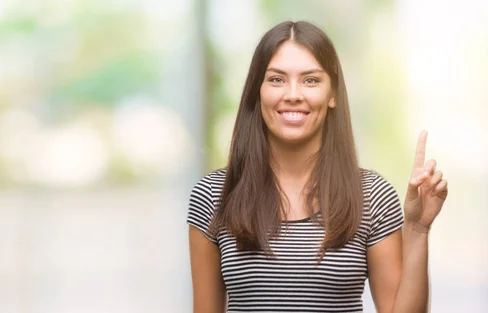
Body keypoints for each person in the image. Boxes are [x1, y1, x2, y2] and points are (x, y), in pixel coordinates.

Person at [186, 21, 448, 313]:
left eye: (310, 80)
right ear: (256, 92)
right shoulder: (213, 195)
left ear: (332, 93)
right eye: (276, 79)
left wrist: (417, 229)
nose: (293, 94)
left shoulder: (372, 196)